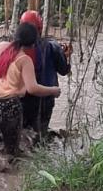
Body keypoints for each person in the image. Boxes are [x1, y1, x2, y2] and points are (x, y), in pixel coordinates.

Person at [0, 21, 60, 158]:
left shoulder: (0, 46)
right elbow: (33, 89)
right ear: (33, 44)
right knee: (11, 152)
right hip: (8, 107)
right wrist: (53, 90)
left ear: (15, 36)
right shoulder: (25, 60)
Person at [19, 9, 71, 140]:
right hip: (46, 96)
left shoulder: (14, 48)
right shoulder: (52, 46)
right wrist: (67, 57)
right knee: (40, 132)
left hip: (22, 97)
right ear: (40, 28)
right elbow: (64, 70)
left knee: (23, 131)